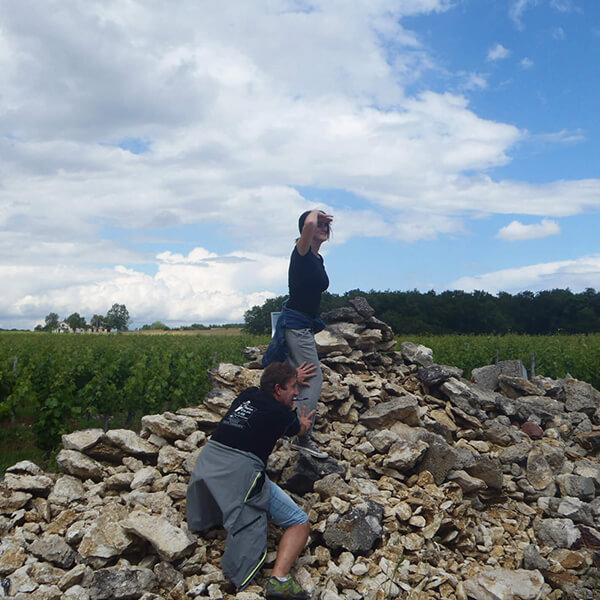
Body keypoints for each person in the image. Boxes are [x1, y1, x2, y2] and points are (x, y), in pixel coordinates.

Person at [187, 362, 315, 600]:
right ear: (278, 389)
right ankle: (279, 580)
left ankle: (206, 523)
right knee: (299, 522)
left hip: (208, 464)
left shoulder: (249, 394)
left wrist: (292, 375)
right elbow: (298, 428)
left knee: (230, 496)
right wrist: (305, 424)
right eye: (292, 387)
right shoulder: (281, 415)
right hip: (238, 472)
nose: (296, 393)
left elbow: (271, 388)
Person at [263, 209, 333, 459]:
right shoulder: (301, 252)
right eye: (319, 224)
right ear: (306, 228)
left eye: (326, 225)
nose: (323, 228)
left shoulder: (317, 258)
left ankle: (282, 429)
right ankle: (302, 436)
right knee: (313, 379)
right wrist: (314, 213)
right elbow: (309, 224)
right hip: (296, 325)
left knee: (298, 378)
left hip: (303, 325)